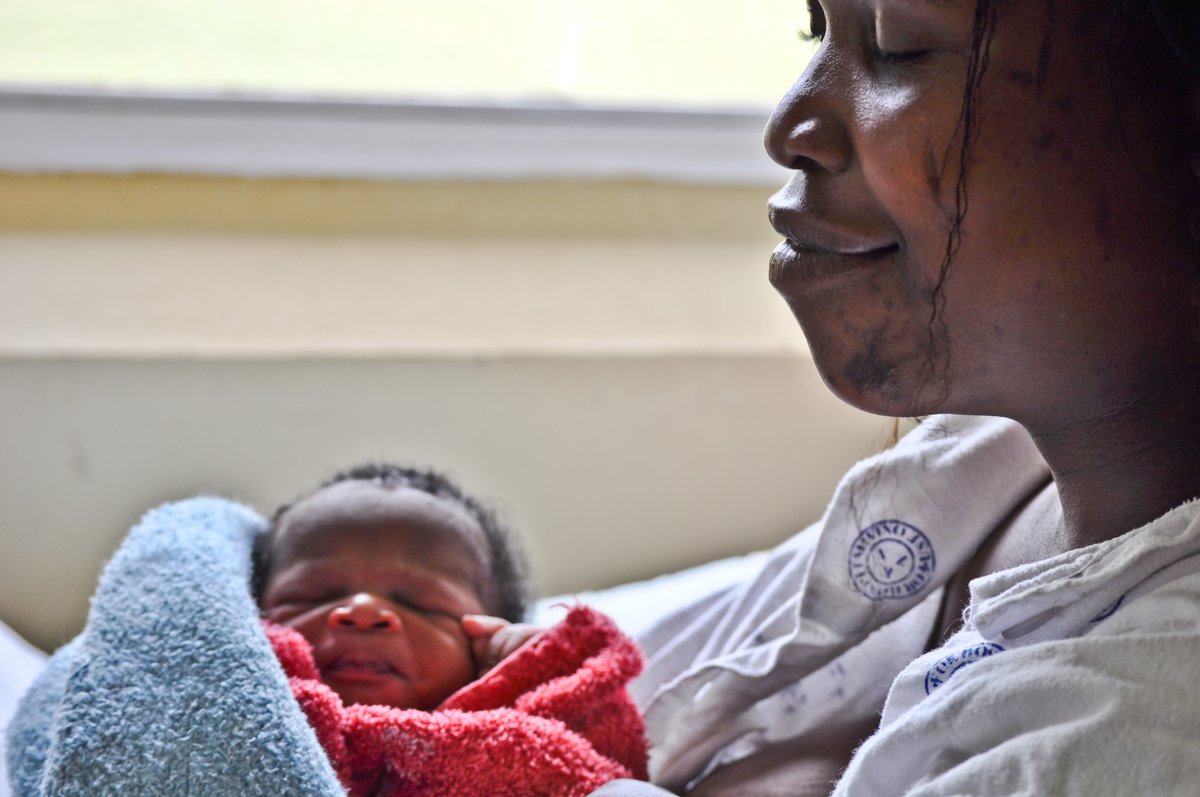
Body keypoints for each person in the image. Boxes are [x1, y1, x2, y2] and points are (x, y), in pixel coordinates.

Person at [584, 0, 1200, 794]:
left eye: (898, 49)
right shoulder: (989, 464)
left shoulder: (1137, 735)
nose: (791, 125)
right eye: (817, 32)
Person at [251, 462, 532, 710]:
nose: (363, 611)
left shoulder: (515, 734)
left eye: (420, 605)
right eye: (313, 595)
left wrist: (538, 673)